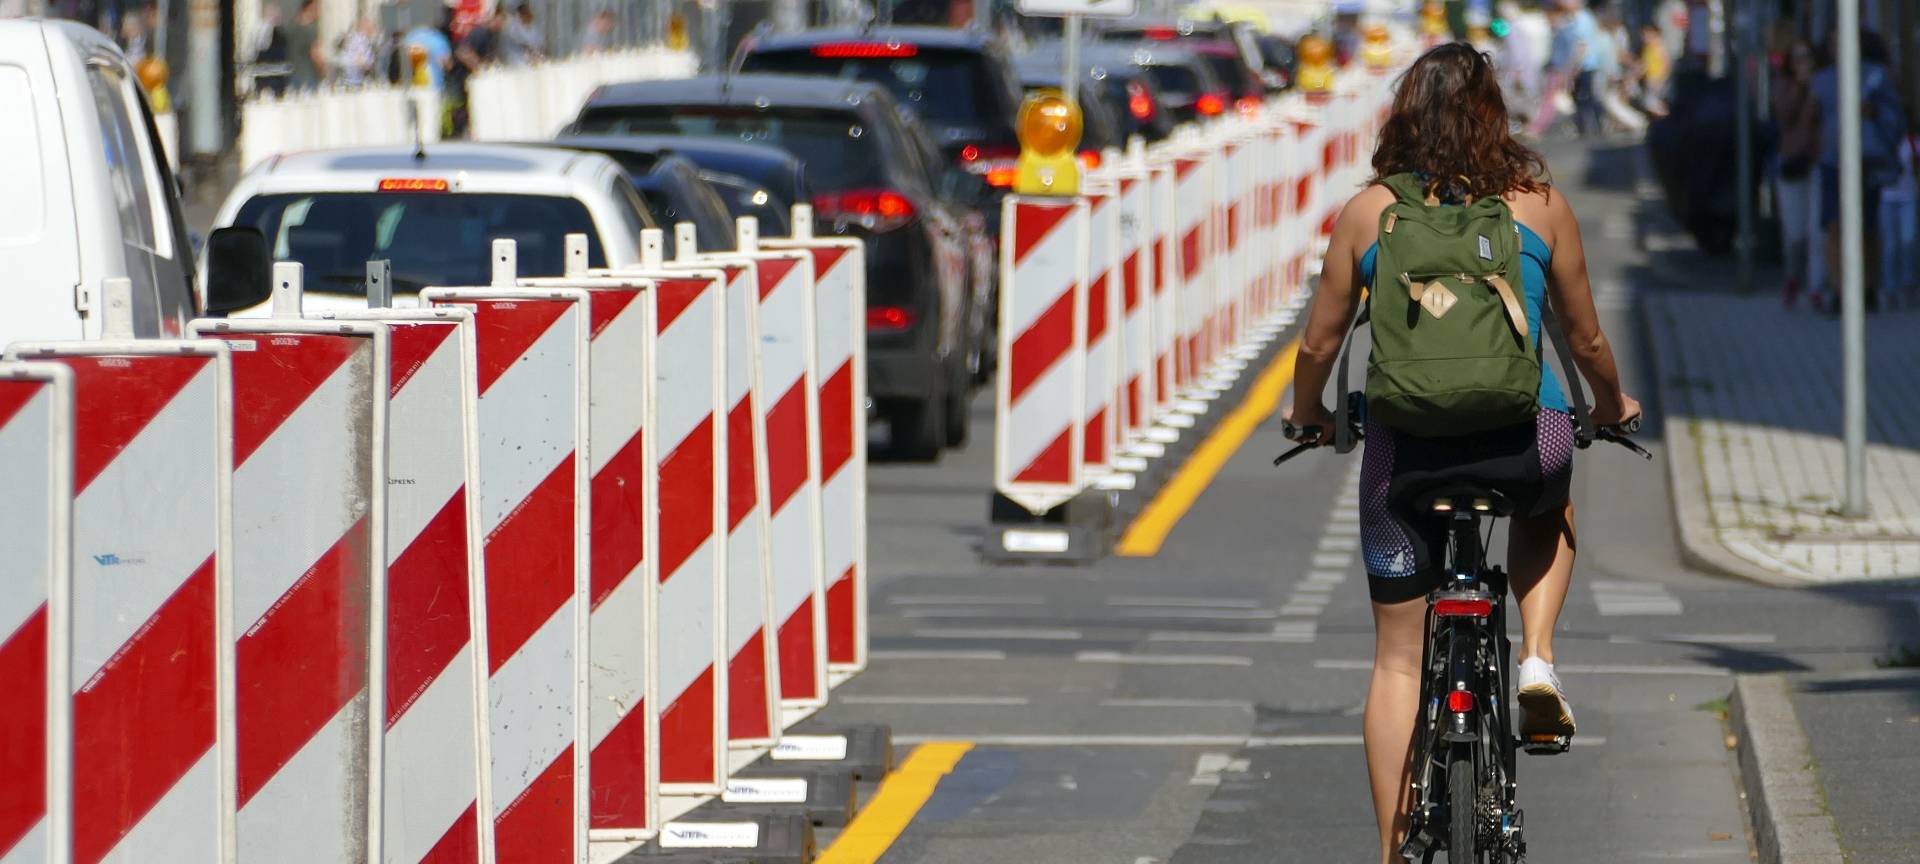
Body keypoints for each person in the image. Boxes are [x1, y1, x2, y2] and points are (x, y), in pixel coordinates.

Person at [1281, 43, 1640, 864]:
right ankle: (1539, 661)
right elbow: (1583, 338)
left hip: (1407, 457)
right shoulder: (1538, 205)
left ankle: (1392, 851)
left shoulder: (1371, 213)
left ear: (1405, 113)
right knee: (1552, 496)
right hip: (1527, 440)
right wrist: (1614, 405)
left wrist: (1311, 414)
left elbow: (1319, 343)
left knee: (1399, 658)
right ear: (1494, 115)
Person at [1811, 28, 1906, 313]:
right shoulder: (1823, 79)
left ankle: (1868, 288)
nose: (1837, 47)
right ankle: (1839, 291)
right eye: (1833, 42)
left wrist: (1874, 113)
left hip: (1866, 159)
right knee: (1834, 226)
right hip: (1832, 160)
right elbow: (1812, 120)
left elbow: (1898, 117)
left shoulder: (1876, 76)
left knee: (1866, 227)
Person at [1772, 38, 1822, 309]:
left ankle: (1815, 287)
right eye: (1798, 57)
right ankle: (1793, 277)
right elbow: (1783, 115)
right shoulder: (1784, 86)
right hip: (1792, 162)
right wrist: (1800, 89)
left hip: (1817, 163)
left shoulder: (1822, 83)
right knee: (1795, 232)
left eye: (1808, 56)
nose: (1803, 63)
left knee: (1817, 230)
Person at [284, 0, 327, 91]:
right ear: (310, 8)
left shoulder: (292, 27)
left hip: (294, 76)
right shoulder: (310, 29)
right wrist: (323, 72)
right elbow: (316, 55)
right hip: (309, 77)